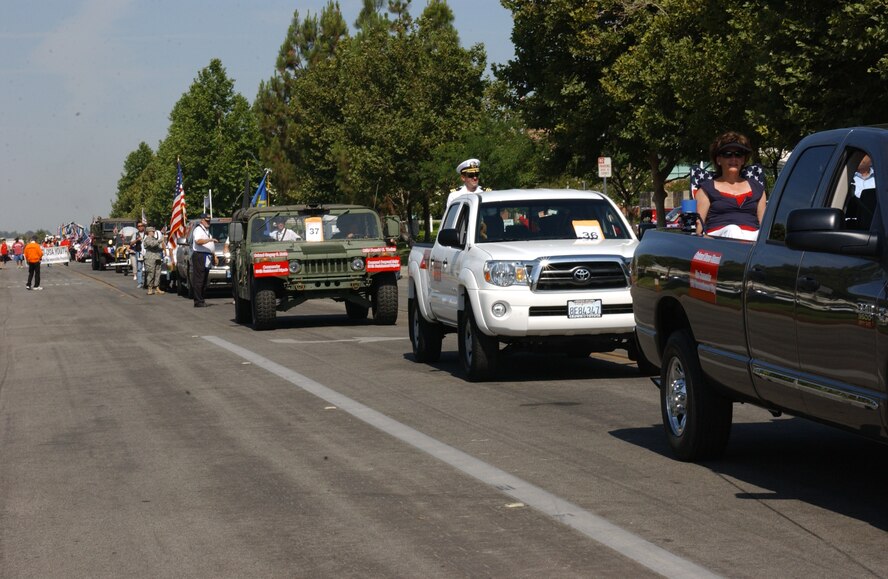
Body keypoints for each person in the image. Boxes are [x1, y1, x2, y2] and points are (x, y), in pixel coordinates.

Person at [694, 132, 767, 241]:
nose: (734, 159)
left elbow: (764, 226)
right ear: (718, 160)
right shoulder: (706, 189)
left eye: (738, 154)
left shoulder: (757, 188)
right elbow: (698, 230)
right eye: (728, 154)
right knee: (733, 230)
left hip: (752, 237)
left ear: (743, 160)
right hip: (718, 239)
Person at [191, 213, 215, 307]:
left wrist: (214, 255)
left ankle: (202, 299)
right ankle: (198, 301)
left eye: (209, 220)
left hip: (207, 256)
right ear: (202, 220)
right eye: (206, 220)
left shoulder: (207, 230)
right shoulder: (198, 229)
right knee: (199, 279)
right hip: (199, 255)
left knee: (204, 279)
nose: (208, 222)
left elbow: (210, 246)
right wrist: (209, 240)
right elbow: (198, 241)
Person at [142, 225, 165, 295]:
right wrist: (160, 240)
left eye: (154, 231)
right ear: (149, 232)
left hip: (157, 257)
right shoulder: (147, 239)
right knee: (151, 273)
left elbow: (159, 247)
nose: (154, 232)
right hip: (150, 258)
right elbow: (152, 244)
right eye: (152, 231)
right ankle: (150, 288)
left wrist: (163, 245)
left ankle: (157, 287)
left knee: (157, 273)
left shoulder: (154, 238)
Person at [130, 222, 145, 287]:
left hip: (147, 252)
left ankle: (147, 282)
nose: (140, 227)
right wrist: (137, 240)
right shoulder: (135, 234)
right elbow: (131, 243)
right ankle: (140, 283)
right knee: (139, 268)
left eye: (141, 226)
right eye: (139, 226)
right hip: (139, 252)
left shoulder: (146, 234)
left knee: (148, 268)